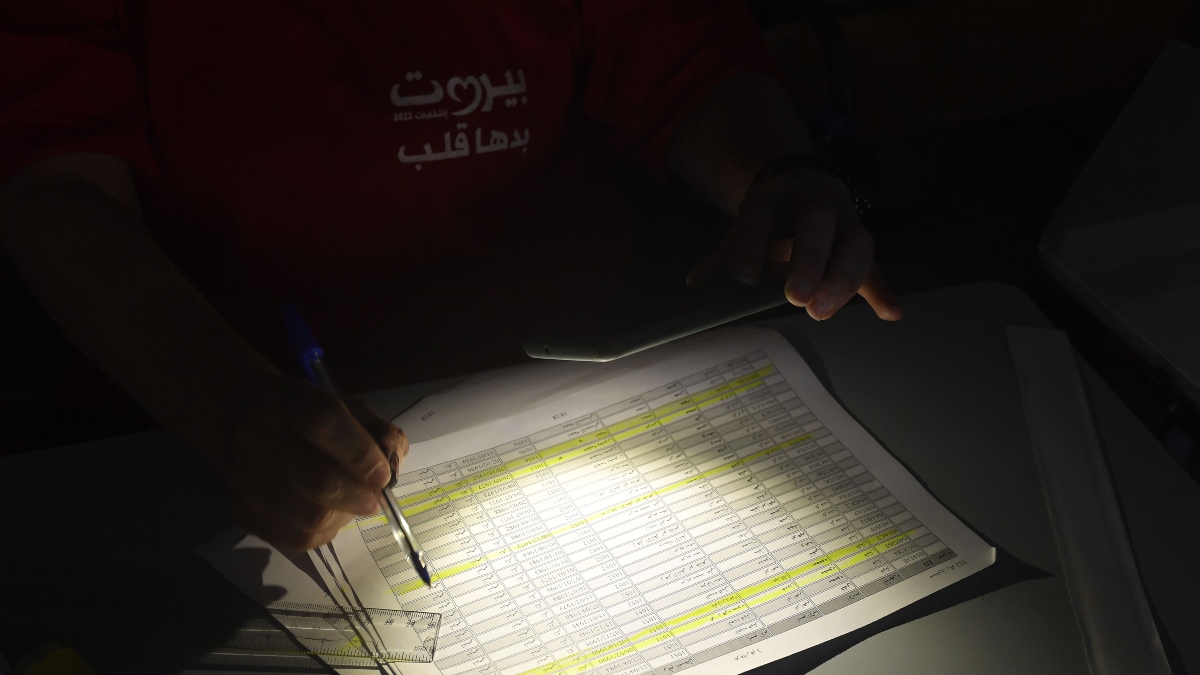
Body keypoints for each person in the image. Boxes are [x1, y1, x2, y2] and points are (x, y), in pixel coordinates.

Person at [0, 1, 901, 551]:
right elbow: (52, 184)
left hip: (571, 382)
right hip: (217, 425)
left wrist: (780, 173)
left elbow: (686, 58)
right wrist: (228, 407)